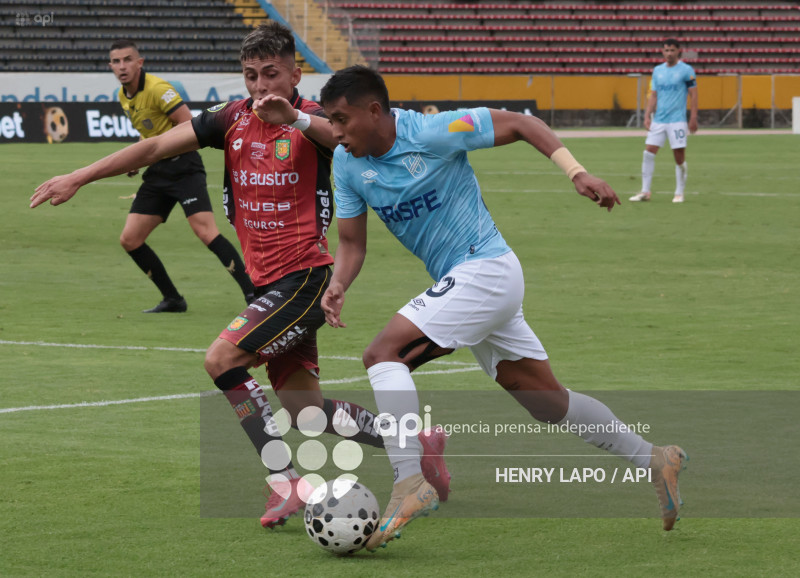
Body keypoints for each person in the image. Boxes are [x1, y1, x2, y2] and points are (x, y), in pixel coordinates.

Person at [31, 24, 448, 529]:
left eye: (271, 73)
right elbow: (152, 148)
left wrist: (292, 117)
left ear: (296, 73)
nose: (259, 86)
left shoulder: (319, 121)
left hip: (306, 279)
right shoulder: (231, 119)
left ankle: (287, 484)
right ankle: (416, 441)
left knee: (221, 359)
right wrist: (78, 176)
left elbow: (343, 144)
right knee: (304, 410)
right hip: (265, 284)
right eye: (250, 75)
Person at [318, 65, 687, 551]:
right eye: (330, 121)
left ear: (375, 110)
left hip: (485, 269)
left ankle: (410, 481)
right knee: (546, 400)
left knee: (382, 356)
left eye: (342, 120)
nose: (336, 133)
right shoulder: (346, 164)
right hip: (472, 284)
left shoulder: (432, 131)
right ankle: (655, 458)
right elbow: (350, 242)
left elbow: (521, 123)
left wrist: (576, 172)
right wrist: (338, 282)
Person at [107, 39, 254, 311]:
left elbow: (188, 124)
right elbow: (149, 131)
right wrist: (138, 156)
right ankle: (173, 299)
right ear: (110, 66)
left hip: (183, 166)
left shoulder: (158, 89)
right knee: (130, 239)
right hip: (158, 171)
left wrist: (153, 150)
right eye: (116, 62)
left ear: (140, 63)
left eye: (127, 60)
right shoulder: (122, 95)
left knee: (205, 231)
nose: (121, 66)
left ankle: (252, 295)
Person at [630, 38, 698, 204]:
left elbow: (693, 94)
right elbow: (654, 94)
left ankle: (679, 192)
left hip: (677, 120)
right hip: (659, 120)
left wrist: (694, 117)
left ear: (678, 51)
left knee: (679, 157)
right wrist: (647, 116)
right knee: (648, 153)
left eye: (672, 50)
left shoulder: (686, 70)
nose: (669, 53)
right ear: (662, 52)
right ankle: (645, 191)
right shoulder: (657, 71)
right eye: (666, 50)